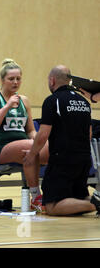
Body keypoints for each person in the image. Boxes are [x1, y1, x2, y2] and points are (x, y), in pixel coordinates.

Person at [24, 65, 100, 216]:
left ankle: (95, 204)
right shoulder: (84, 102)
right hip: (84, 159)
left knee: (52, 206)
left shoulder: (52, 101)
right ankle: (93, 201)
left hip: (63, 159)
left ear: (52, 80)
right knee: (78, 197)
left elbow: (43, 134)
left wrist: (31, 155)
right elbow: (89, 133)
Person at [0, 59, 49, 213]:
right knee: (30, 148)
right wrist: (6, 107)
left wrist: (39, 139)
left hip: (24, 144)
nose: (15, 82)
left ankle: (51, 194)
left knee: (50, 147)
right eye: (11, 79)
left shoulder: (24, 101)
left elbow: (31, 130)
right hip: (0, 148)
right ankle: (36, 196)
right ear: (2, 80)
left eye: (18, 79)